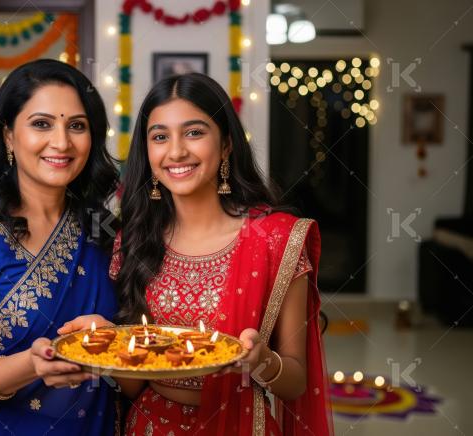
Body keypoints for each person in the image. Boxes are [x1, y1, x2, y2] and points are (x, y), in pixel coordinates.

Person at [110, 73, 333, 435]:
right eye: (160, 137)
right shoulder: (134, 241)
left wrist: (261, 360)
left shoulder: (276, 239)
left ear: (227, 144)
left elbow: (295, 383)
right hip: (149, 426)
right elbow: (132, 386)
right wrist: (110, 342)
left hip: (241, 424)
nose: (176, 151)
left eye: (194, 132)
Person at [0, 59, 121, 435]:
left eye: (77, 126)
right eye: (41, 124)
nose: (62, 142)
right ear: (8, 136)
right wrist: (32, 365)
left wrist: (113, 339)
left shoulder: (104, 230)